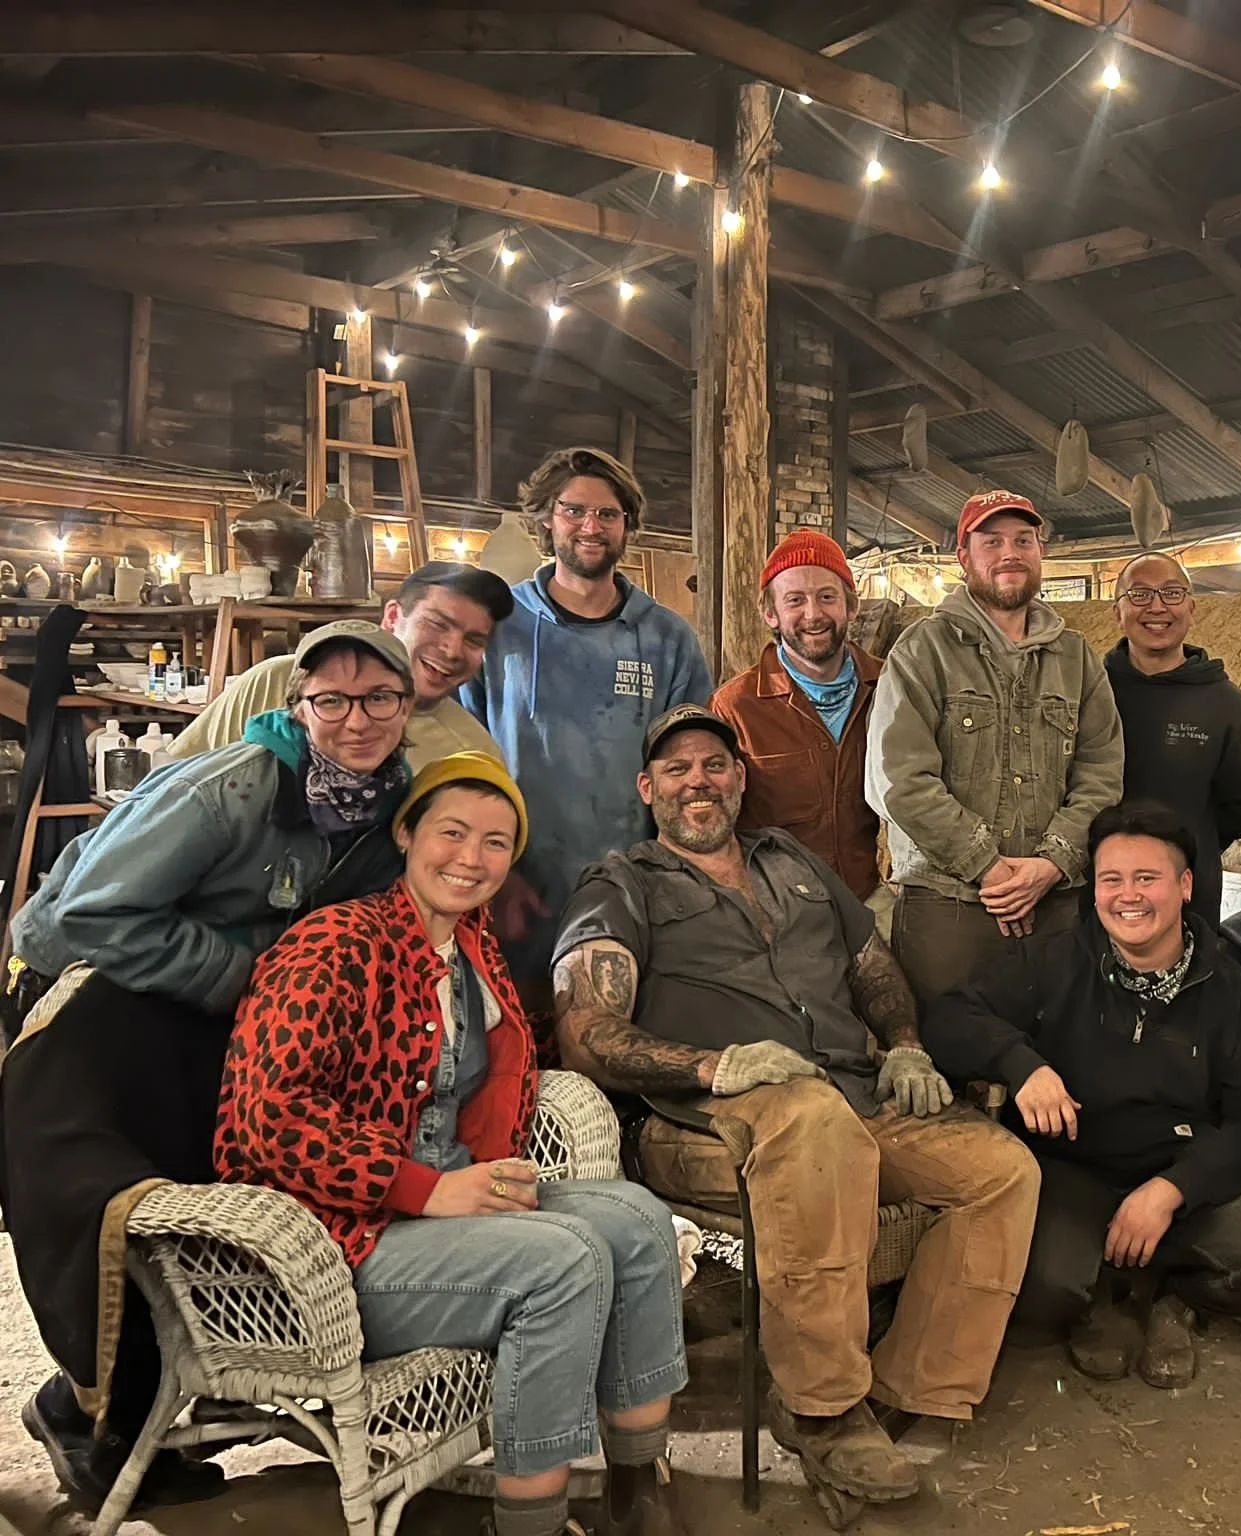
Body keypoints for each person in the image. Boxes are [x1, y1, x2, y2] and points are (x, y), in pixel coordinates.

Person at [550, 703, 1038, 1511]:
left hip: (849, 1093)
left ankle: (908, 1385)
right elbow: (585, 1033)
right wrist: (714, 1065)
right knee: (812, 1128)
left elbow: (872, 965)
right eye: (676, 770)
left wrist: (908, 1043)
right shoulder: (623, 884)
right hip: (706, 1122)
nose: (697, 782)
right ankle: (820, 1411)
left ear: (740, 779)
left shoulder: (793, 862)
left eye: (714, 765)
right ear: (648, 788)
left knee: (1000, 1169)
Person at [1, 620, 414, 1515]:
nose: (356, 718)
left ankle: (136, 1411)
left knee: (205, 1202)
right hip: (104, 999)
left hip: (215, 1019)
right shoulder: (236, 784)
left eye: (378, 697)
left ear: (406, 707)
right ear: (298, 707)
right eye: (331, 700)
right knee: (104, 1204)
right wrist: (244, 976)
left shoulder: (386, 811)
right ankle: (81, 1412)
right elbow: (92, 914)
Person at [217, 754, 688, 1536]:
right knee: (565, 1260)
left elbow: (489, 1077)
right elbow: (268, 1116)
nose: (471, 860)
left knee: (635, 1220)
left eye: (496, 843)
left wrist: (483, 1176)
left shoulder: (473, 946)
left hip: (445, 1198)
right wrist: (427, 1190)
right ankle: (528, 1520)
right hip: (338, 1238)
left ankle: (639, 1482)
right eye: (452, 833)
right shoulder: (335, 942)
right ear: (406, 834)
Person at [922, 801, 1241, 1390]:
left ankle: (1173, 1297)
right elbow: (950, 1017)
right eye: (1112, 879)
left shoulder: (1233, 992)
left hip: (1188, 1180)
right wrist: (1022, 1065)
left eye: (1147, 878)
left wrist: (1173, 1190)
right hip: (1074, 1170)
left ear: (1185, 885)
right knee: (1031, 1291)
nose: (1128, 896)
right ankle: (1106, 1294)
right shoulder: (1056, 960)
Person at [459, 446, 713, 1000]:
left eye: (607, 514)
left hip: (630, 890)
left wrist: (672, 879)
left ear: (627, 527)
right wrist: (490, 870)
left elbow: (689, 774)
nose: (590, 527)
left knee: (616, 1040)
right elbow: (464, 757)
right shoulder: (500, 627)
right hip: (514, 887)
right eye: (574, 511)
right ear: (547, 520)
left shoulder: (668, 640)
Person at [867, 488, 1124, 1009]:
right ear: (964, 558)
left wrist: (1052, 863)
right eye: (992, 541)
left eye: (1023, 540)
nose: (1010, 552)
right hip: (949, 904)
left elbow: (1102, 772)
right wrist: (991, 868)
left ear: (1039, 553)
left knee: (1052, 1053)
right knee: (948, 1054)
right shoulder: (922, 652)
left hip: (1055, 900)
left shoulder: (1075, 659)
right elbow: (902, 781)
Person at [164, 561, 510, 771]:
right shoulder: (274, 681)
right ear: (393, 617)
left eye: (474, 640)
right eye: (437, 624)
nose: (452, 650)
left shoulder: (471, 752)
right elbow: (171, 784)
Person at [711, 528, 883, 898]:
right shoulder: (735, 707)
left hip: (876, 898)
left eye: (826, 597)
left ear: (851, 606)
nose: (813, 614)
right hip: (782, 910)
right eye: (795, 600)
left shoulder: (892, 688)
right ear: (770, 613)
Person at [1104, 552, 1241, 925]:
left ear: (1191, 609)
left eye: (1172, 593)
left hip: (1187, 896)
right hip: (1095, 892)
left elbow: (1240, 811)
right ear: (1117, 612)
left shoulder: (1227, 705)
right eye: (1140, 594)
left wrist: (1190, 846)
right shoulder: (1089, 693)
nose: (1157, 607)